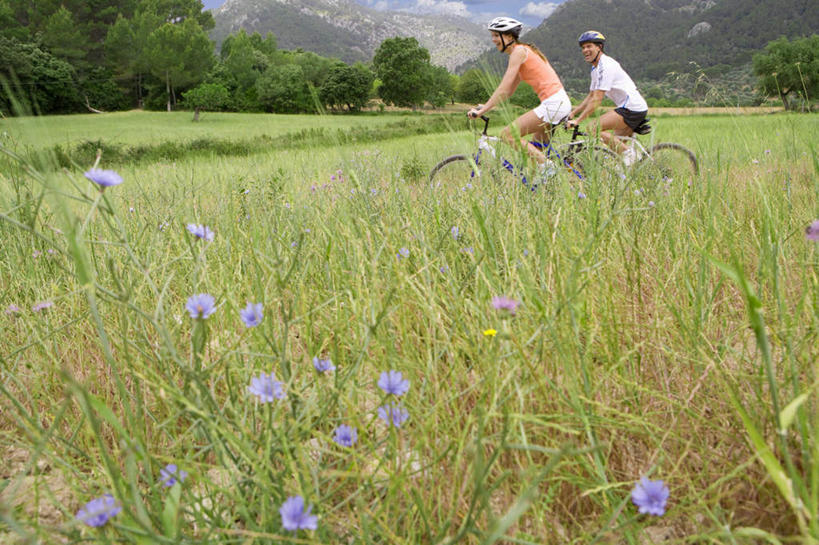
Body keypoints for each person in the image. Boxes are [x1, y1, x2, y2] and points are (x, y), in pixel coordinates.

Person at [468, 17, 571, 179]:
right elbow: (507, 92)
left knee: (507, 135)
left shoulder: (518, 52)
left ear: (509, 37)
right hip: (558, 102)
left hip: (553, 104)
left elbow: (502, 87)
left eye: (496, 35)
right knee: (537, 150)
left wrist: (483, 110)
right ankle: (543, 189)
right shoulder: (523, 52)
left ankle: (549, 167)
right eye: (492, 35)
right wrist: (487, 106)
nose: (493, 39)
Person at [567, 31, 649, 165]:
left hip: (631, 107)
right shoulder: (595, 69)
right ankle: (638, 168)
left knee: (593, 128)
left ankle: (632, 156)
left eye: (589, 46)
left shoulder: (606, 66)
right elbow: (591, 96)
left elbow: (597, 100)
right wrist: (573, 113)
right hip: (629, 107)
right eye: (583, 48)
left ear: (599, 47)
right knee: (617, 150)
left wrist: (578, 121)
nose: (585, 50)